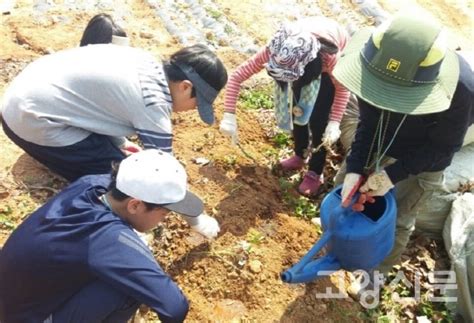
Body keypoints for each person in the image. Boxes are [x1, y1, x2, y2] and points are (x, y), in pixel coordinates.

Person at [332, 14, 473, 275]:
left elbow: (443, 149)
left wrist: (391, 176)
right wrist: (354, 167)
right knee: (343, 191)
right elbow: (368, 121)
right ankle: (337, 243)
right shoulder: (369, 62)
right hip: (378, 139)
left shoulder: (461, 90)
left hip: (422, 159)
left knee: (396, 219)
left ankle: (376, 273)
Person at [0, 149, 204, 322]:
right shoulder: (108, 240)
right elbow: (175, 307)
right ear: (135, 205)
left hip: (13, 298)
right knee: (126, 291)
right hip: (23, 317)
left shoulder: (91, 183)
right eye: (164, 213)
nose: (164, 220)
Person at [1, 43, 227, 182]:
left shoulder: (145, 59)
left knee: (119, 154)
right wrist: (197, 219)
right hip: (28, 120)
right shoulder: (154, 105)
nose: (192, 110)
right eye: (197, 104)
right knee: (122, 178)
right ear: (185, 86)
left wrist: (118, 142)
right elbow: (162, 176)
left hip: (19, 95)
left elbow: (101, 102)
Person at [220, 16, 350, 196]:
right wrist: (229, 115)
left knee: (319, 120)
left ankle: (315, 172)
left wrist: (334, 122)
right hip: (303, 61)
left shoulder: (329, 58)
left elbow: (343, 90)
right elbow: (237, 76)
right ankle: (300, 155)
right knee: (297, 109)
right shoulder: (277, 49)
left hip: (326, 58)